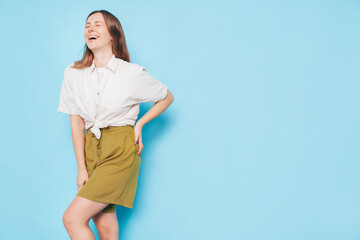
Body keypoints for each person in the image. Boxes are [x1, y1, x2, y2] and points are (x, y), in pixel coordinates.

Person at [57, 10, 174, 240]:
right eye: (87, 25)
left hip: (120, 147)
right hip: (92, 148)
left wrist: (140, 124)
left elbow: (166, 96)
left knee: (72, 219)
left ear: (112, 35)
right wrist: (81, 167)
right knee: (105, 225)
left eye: (98, 25)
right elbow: (76, 119)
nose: (90, 28)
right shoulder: (73, 73)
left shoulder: (131, 73)